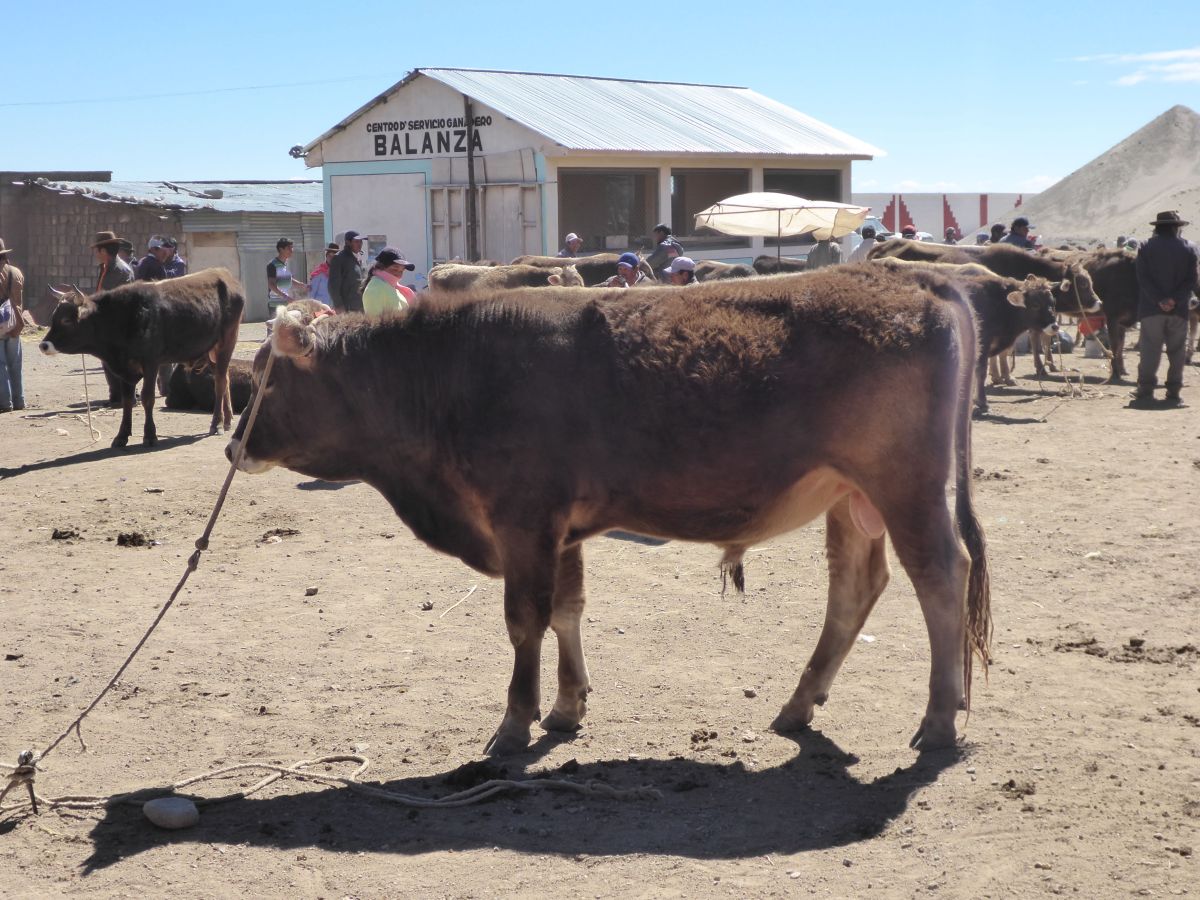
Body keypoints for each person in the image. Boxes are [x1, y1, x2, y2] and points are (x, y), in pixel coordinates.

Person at [1131, 210, 1199, 407]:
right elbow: (1191, 280)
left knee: (1149, 351)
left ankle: (1145, 393)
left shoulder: (1145, 247)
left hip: (1151, 309)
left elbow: (1143, 278)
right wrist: (1175, 300)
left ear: (1157, 227)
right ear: (1176, 227)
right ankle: (1174, 393)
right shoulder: (1189, 248)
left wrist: (1160, 299)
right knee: (1177, 352)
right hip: (1179, 311)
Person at [0, 238, 25, 413]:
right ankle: (19, 401)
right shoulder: (16, 273)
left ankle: (5, 403)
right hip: (15, 323)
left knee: (0, 364)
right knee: (15, 364)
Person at [361, 247, 416, 318]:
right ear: (381, 267)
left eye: (401, 271)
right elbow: (375, 324)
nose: (399, 274)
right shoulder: (374, 289)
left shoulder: (393, 287)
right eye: (395, 269)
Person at [267, 238, 307, 319]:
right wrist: (285, 297)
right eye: (289, 248)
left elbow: (288, 279)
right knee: (274, 329)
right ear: (281, 249)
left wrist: (302, 285)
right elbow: (271, 284)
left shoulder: (285, 263)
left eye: (292, 247)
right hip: (276, 304)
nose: (292, 250)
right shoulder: (272, 265)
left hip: (287, 303)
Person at [329, 229, 365, 313]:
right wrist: (338, 305)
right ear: (348, 242)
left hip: (360, 307)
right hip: (347, 308)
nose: (360, 244)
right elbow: (333, 285)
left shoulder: (358, 258)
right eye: (356, 241)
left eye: (361, 242)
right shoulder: (339, 258)